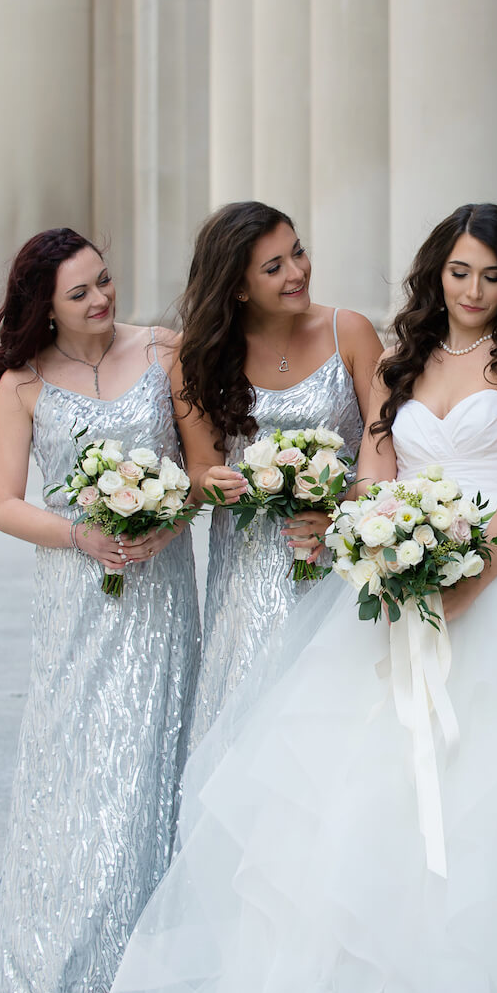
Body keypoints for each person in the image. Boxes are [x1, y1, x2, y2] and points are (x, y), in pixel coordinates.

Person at [111, 203, 497, 993]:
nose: (475, 291)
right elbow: (379, 462)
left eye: (492, 276)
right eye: (460, 272)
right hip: (400, 575)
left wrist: (471, 576)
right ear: (435, 273)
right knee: (358, 783)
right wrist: (375, 538)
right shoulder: (404, 352)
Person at [0, 228, 200, 993]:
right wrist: (84, 536)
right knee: (75, 756)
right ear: (46, 307)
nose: (102, 300)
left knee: (153, 750)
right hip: (78, 587)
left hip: (161, 586)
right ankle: (62, 953)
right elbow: (5, 504)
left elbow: (201, 471)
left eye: (104, 281)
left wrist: (164, 526)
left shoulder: (163, 352)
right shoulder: (24, 384)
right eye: (81, 293)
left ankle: (148, 960)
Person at [175, 202, 381, 748]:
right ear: (238, 287)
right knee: (253, 716)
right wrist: (210, 483)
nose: (297, 272)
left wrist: (340, 513)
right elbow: (200, 467)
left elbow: (384, 450)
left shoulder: (351, 332)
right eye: (274, 267)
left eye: (298, 252)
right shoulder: (203, 356)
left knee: (338, 721)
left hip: (339, 557)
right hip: (248, 568)